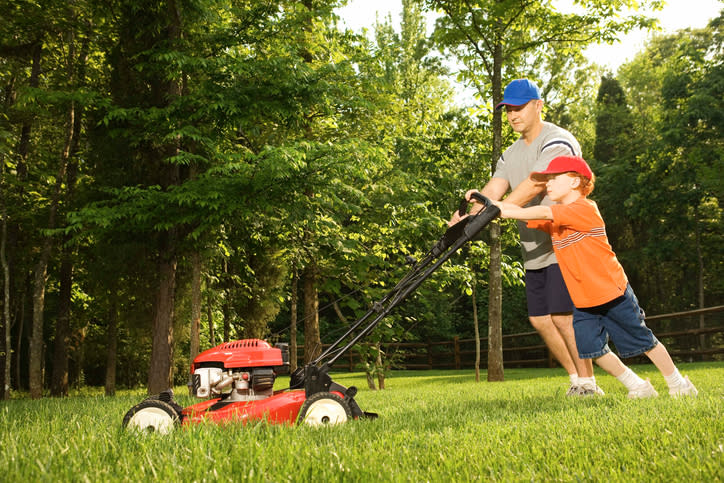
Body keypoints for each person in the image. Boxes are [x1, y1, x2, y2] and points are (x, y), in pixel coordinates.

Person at [493, 155, 698, 397]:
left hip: (612, 293)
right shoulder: (556, 217)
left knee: (644, 341)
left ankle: (679, 385)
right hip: (583, 301)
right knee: (591, 349)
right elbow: (520, 211)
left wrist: (502, 208)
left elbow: (534, 212)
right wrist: (489, 205)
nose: (547, 183)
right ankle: (638, 387)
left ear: (574, 181)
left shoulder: (584, 209)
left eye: (553, 178)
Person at [450, 78, 595, 395]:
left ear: (538, 106)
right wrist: (464, 217)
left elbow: (536, 184)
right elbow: (494, 190)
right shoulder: (510, 154)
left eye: (520, 107)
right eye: (508, 109)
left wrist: (490, 213)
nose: (513, 114)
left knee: (562, 317)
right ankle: (575, 379)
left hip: (564, 242)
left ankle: (589, 383)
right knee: (541, 319)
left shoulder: (558, 141)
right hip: (534, 251)